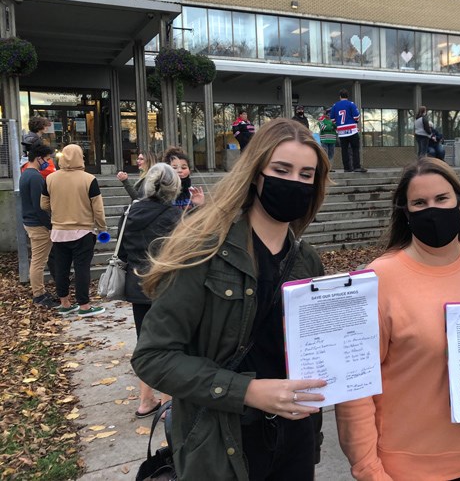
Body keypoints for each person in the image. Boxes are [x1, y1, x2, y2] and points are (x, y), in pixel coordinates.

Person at [131, 119, 332, 480]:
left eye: (306, 175)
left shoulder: (307, 259)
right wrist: (248, 391)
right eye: (281, 170)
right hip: (222, 443)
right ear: (256, 174)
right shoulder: (204, 251)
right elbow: (152, 357)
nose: (295, 183)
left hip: (296, 440)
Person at [336, 157, 460, 480]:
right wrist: (368, 469)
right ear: (406, 213)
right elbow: (355, 390)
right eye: (420, 203)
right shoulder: (377, 279)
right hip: (406, 467)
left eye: (442, 199)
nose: (433, 209)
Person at [117, 163, 182, 418]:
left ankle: (146, 400)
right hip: (167, 284)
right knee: (170, 343)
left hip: (137, 284)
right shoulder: (174, 216)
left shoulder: (129, 211)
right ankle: (169, 402)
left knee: (144, 342)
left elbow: (121, 250)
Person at [41, 144, 108, 317]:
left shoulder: (50, 179)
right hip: (83, 231)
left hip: (58, 231)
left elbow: (43, 204)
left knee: (61, 267)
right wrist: (102, 228)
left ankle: (65, 303)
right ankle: (84, 305)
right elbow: (98, 209)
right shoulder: (89, 179)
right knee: (82, 268)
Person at [20, 144, 59, 308]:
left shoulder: (25, 174)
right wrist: (50, 226)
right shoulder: (35, 177)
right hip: (38, 225)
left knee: (38, 260)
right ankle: (39, 295)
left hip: (31, 222)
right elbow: (40, 206)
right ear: (39, 158)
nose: (49, 162)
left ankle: (40, 291)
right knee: (38, 262)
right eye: (48, 159)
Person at [332, 89, 367, 172]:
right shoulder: (351, 104)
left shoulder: (335, 105)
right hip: (352, 130)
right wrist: (354, 122)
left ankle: (346, 168)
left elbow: (332, 119)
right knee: (355, 148)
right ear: (347, 96)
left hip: (341, 132)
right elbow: (356, 117)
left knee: (344, 150)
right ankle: (356, 166)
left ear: (340, 96)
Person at [163, 147, 205, 211]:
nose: (179, 171)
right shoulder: (162, 192)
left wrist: (200, 205)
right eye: (174, 167)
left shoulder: (192, 192)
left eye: (183, 167)